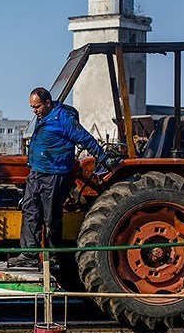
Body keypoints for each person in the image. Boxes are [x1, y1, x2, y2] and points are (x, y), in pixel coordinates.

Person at [7, 87, 109, 268]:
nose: (34, 110)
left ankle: (55, 255)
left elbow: (84, 138)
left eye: (37, 106)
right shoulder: (42, 117)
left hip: (55, 174)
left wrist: (102, 158)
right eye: (32, 107)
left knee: (51, 217)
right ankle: (29, 253)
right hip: (37, 172)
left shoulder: (64, 118)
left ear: (47, 103)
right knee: (30, 210)